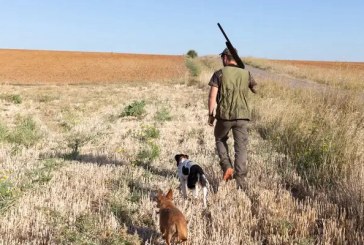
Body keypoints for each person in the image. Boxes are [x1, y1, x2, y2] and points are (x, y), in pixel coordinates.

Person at [207, 48, 257, 190]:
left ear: (225, 58)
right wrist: (244, 73)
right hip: (242, 116)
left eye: (222, 57)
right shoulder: (246, 73)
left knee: (219, 138)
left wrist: (211, 115)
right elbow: (255, 89)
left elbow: (212, 96)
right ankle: (240, 179)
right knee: (241, 147)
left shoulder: (219, 74)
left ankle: (227, 166)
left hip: (225, 116)